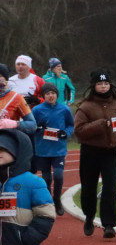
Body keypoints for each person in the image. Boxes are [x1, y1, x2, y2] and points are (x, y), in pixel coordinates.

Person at [74, 69, 116, 239]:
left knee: (110, 188)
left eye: (106, 83)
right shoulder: (85, 107)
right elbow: (79, 131)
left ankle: (109, 225)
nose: (103, 87)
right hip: (90, 152)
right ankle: (88, 216)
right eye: (100, 84)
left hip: (110, 152)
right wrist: (101, 124)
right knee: (89, 187)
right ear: (94, 86)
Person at [31, 83, 74, 215]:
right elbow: (30, 126)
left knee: (58, 175)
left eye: (53, 93)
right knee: (46, 177)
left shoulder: (64, 109)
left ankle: (57, 199)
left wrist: (66, 133)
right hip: (42, 149)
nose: (51, 96)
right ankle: (48, 201)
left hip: (58, 149)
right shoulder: (37, 110)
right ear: (44, 96)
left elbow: (71, 125)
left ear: (57, 95)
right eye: (48, 93)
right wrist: (38, 127)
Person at [0, 64, 39, 137]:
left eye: (0, 76)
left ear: (6, 79)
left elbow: (33, 126)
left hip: (8, 143)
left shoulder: (17, 98)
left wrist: (15, 124)